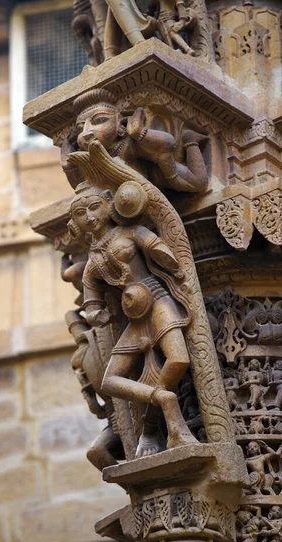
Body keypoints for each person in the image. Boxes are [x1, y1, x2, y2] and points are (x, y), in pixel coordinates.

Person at [68, 182, 196, 456]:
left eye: (93, 208)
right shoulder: (92, 265)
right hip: (134, 317)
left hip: (157, 299)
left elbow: (160, 249)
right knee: (110, 381)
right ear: (75, 222)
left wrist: (165, 254)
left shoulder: (130, 232)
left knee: (178, 360)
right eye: (81, 214)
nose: (89, 217)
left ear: (107, 203)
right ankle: (162, 399)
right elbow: (92, 305)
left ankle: (151, 427)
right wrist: (96, 314)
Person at [61, 88, 208, 193]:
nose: (86, 133)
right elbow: (81, 186)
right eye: (80, 129)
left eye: (99, 120)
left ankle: (191, 140)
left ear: (119, 123)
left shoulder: (128, 143)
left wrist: (139, 133)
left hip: (157, 176)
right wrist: (69, 167)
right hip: (125, 201)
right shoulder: (92, 158)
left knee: (198, 183)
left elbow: (167, 143)